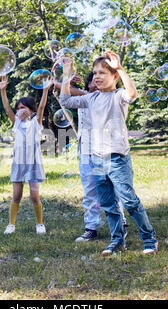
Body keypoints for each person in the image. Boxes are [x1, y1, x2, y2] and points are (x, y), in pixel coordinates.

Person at [59, 51, 158, 256]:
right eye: (95, 72)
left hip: (117, 158)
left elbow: (132, 94)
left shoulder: (118, 96)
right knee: (108, 204)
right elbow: (66, 99)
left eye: (103, 72)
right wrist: (67, 74)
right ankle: (117, 241)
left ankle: (149, 239)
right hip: (97, 159)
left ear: (114, 77)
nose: (97, 76)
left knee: (129, 201)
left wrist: (120, 68)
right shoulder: (91, 98)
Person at [54, 73, 128, 243]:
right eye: (92, 82)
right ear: (87, 86)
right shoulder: (85, 98)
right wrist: (66, 79)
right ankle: (91, 227)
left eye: (98, 80)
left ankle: (120, 224)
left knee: (112, 187)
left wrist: (67, 83)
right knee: (89, 190)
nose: (95, 84)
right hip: (86, 149)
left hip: (104, 148)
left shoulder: (103, 98)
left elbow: (68, 89)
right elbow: (63, 89)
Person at [0, 75, 52, 235]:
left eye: (24, 107)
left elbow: (42, 107)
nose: (20, 110)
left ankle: (40, 224)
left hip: (33, 164)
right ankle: (11, 224)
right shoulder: (16, 123)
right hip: (19, 164)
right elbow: (7, 108)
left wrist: (45, 90)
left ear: (31, 110)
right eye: (18, 108)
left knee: (34, 197)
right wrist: (3, 91)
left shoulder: (36, 123)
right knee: (16, 196)